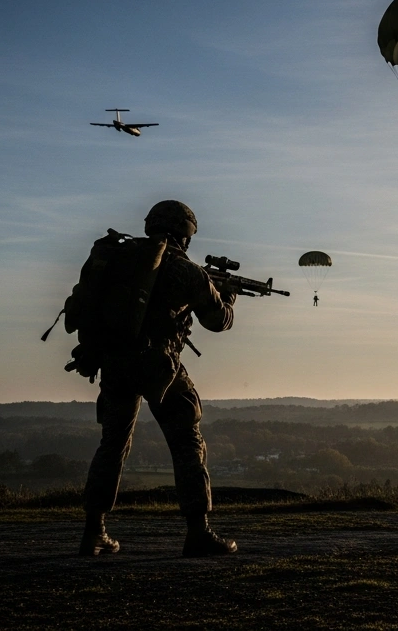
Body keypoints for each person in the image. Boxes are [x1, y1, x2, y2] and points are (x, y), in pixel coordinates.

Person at [80, 200, 240, 557]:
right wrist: (228, 298)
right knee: (187, 440)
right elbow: (217, 321)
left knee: (113, 445)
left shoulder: (123, 258)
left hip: (115, 362)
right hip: (158, 366)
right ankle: (198, 532)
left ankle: (94, 532)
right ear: (185, 234)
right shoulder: (188, 271)